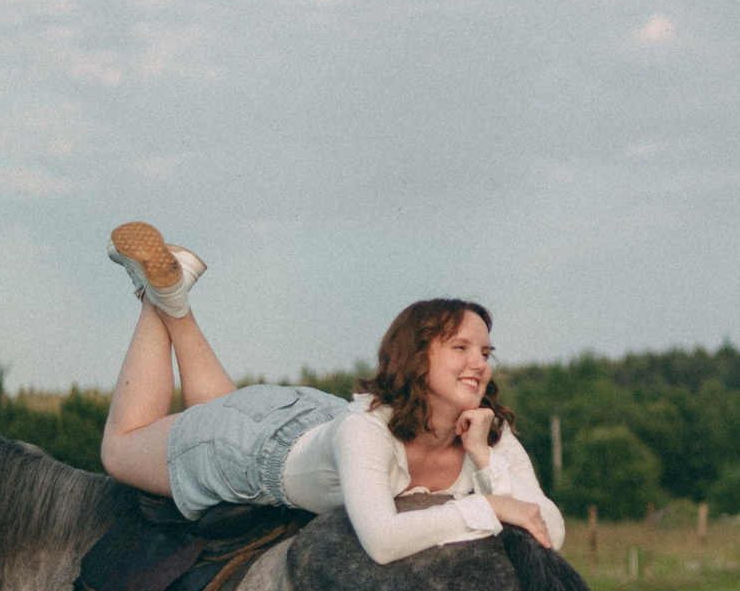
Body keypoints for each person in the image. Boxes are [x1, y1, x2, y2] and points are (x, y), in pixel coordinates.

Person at [96, 221, 562, 561]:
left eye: (485, 350)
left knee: (218, 408)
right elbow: (381, 541)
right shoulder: (367, 433)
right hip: (250, 448)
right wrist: (489, 507)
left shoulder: (486, 433)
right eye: (460, 347)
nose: (479, 363)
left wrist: (483, 460)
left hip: (314, 417)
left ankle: (171, 294)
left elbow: (551, 530)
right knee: (119, 450)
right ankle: (155, 298)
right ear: (417, 360)